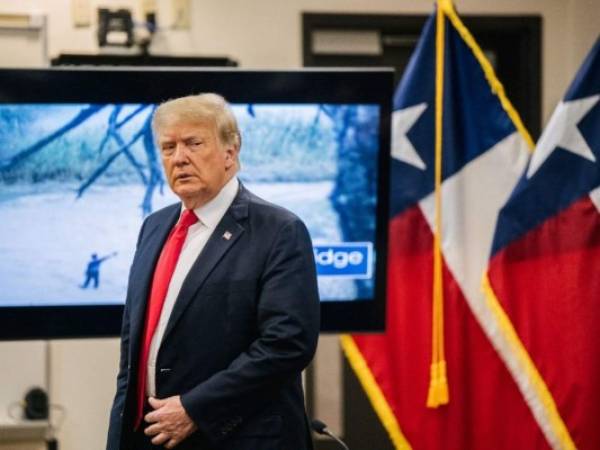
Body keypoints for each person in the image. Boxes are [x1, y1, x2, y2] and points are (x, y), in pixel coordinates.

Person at [107, 93, 320, 450]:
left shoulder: (278, 230)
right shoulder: (154, 227)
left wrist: (195, 408)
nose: (179, 158)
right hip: (150, 436)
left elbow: (287, 344)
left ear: (230, 152)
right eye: (168, 147)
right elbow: (135, 350)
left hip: (235, 436)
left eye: (194, 143)